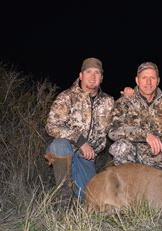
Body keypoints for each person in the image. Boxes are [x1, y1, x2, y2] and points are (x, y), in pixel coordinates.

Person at [45, 57, 115, 200]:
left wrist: (130, 97)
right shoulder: (66, 97)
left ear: (101, 78)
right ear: (81, 75)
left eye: (97, 73)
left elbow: (119, 124)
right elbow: (51, 126)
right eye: (88, 72)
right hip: (67, 150)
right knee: (59, 145)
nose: (93, 76)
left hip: (87, 158)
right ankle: (63, 197)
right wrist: (80, 140)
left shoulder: (109, 102)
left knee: (90, 199)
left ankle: (75, 189)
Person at [108, 62, 162, 175]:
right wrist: (145, 135)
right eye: (144, 78)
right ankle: (128, 185)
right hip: (133, 161)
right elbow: (112, 130)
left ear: (158, 81)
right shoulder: (124, 102)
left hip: (161, 163)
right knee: (120, 147)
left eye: (152, 78)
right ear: (137, 80)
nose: (148, 82)